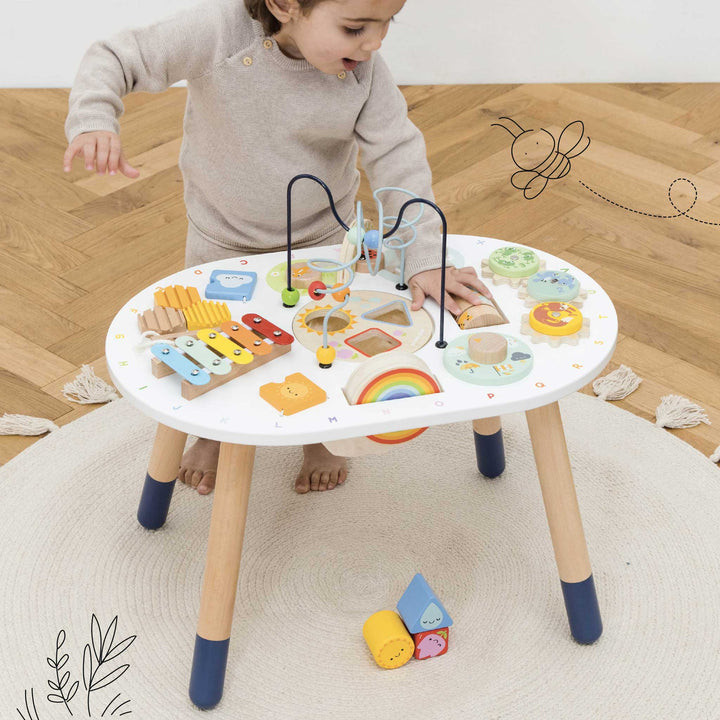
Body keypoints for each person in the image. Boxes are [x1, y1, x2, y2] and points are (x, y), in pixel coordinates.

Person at [63, 0, 491, 495]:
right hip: (221, 239)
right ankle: (211, 435)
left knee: (325, 341)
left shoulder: (363, 72)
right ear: (285, 5)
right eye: (356, 27)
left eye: (386, 22)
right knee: (213, 345)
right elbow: (116, 56)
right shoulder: (216, 33)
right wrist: (95, 117)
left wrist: (421, 256)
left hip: (323, 240)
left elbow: (399, 159)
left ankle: (320, 435)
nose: (375, 43)